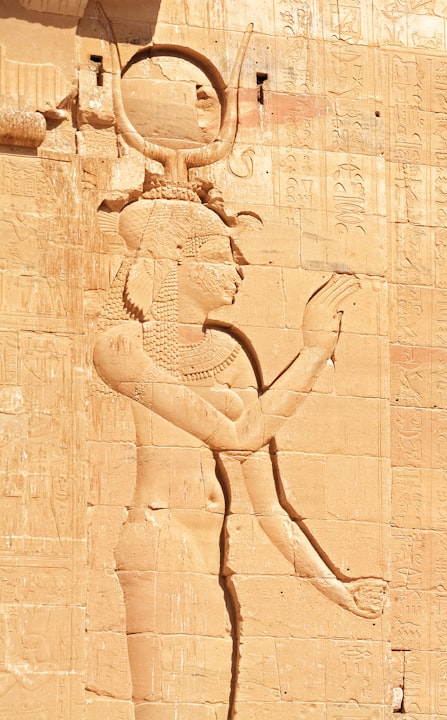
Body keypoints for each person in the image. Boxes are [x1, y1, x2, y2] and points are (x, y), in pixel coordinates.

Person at [94, 189, 383, 720]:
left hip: (208, 554)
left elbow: (269, 508)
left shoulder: (227, 355)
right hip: (160, 544)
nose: (240, 271)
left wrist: (338, 590)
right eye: (224, 255)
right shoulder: (121, 346)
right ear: (173, 260)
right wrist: (315, 353)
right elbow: (238, 436)